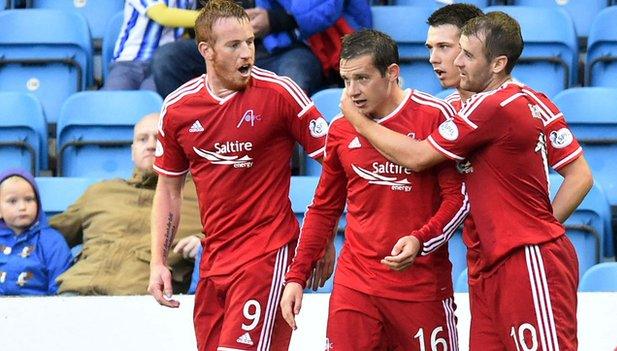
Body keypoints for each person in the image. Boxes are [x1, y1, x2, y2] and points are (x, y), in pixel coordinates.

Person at [342, 12, 593, 350]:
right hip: (485, 261)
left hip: (522, 255)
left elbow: (580, 176)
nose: (438, 58)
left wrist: (534, 232)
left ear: (493, 60)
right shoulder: (450, 111)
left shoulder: (504, 104)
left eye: (449, 47)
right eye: (432, 47)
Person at [147, 1, 332, 350]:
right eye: (234, 45)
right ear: (206, 50)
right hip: (214, 260)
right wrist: (158, 261)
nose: (247, 53)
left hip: (267, 254)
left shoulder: (280, 93)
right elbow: (168, 189)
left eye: (250, 42)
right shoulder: (177, 108)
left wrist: (320, 239)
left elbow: (336, 164)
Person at [280, 29, 468, 350]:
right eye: (345, 80)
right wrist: (296, 277)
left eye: (362, 79)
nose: (352, 92)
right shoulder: (340, 129)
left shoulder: (434, 116)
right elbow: (324, 207)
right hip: (356, 284)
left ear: (391, 73)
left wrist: (421, 240)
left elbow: (459, 199)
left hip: (420, 287)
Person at [49, 113, 204, 295]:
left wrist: (203, 244)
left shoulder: (201, 194)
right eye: (142, 139)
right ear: (133, 151)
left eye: (160, 138)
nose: (151, 145)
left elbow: (232, 237)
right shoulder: (101, 191)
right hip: (76, 291)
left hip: (144, 301)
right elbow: (46, 237)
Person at [151, 0, 372, 98]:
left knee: (294, 78)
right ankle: (198, 143)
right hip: (230, 46)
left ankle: (283, 161)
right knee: (168, 59)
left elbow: (319, 9)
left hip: (291, 47)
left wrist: (273, 20)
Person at [0, 169, 73, 296]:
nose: (22, 207)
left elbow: (61, 287)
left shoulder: (52, 241)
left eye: (29, 199)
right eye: (13, 201)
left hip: (38, 311)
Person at [102, 1, 198, 91]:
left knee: (152, 103)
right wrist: (209, 17)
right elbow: (162, 15)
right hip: (128, 62)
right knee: (113, 100)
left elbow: (185, 31)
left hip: (164, 65)